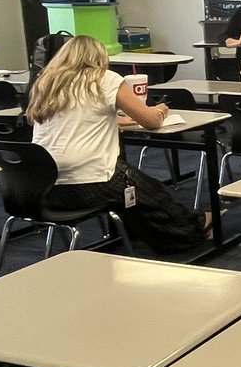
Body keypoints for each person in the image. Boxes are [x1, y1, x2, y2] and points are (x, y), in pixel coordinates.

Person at [26, 35, 210, 252]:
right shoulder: (104, 78)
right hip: (90, 181)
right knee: (154, 194)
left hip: (43, 187)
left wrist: (113, 120)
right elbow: (151, 122)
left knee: (138, 193)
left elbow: (75, 117)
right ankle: (194, 229)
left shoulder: (47, 82)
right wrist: (160, 109)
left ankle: (138, 232)